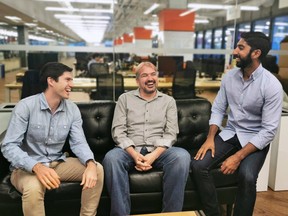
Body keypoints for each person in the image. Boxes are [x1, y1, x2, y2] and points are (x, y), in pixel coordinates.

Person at [191, 31, 283, 216]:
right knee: (198, 166)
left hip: (255, 139)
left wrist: (238, 157)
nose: (234, 51)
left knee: (247, 177)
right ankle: (213, 213)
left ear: (256, 53)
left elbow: (268, 131)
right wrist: (211, 138)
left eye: (240, 48)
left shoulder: (272, 86)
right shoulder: (229, 77)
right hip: (231, 132)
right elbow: (217, 109)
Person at [1, 62, 104, 216]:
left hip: (57, 163)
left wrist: (90, 163)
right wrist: (36, 166)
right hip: (26, 168)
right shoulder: (25, 106)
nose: (72, 84)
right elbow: (9, 145)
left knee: (97, 169)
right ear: (51, 81)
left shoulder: (72, 109)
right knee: (34, 187)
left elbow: (79, 142)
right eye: (67, 80)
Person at [102, 61, 190, 216]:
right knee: (111, 159)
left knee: (182, 156)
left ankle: (171, 214)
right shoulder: (124, 99)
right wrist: (135, 155)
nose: (150, 78)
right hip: (129, 149)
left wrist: (153, 156)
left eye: (153, 74)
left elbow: (171, 134)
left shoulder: (169, 101)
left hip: (159, 150)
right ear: (137, 80)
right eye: (144, 75)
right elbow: (119, 131)